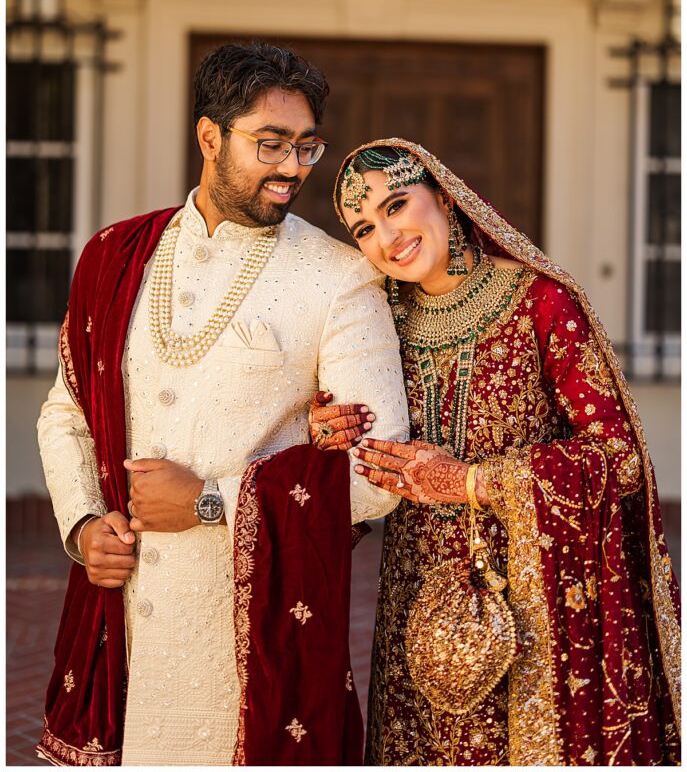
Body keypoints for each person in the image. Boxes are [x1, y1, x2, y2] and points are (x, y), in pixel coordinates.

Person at [35, 44, 409, 767]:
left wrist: (210, 502)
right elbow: (68, 410)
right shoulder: (114, 254)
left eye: (306, 146)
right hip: (119, 624)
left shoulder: (339, 278)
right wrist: (82, 525)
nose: (293, 167)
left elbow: (377, 469)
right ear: (210, 137)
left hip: (251, 637)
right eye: (269, 144)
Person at [316, 138, 680, 766]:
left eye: (397, 204)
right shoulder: (372, 324)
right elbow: (352, 470)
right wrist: (329, 432)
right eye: (364, 228)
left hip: (538, 605)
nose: (388, 236)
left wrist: (474, 483)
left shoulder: (541, 303)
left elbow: (618, 457)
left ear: (445, 197)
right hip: (416, 600)